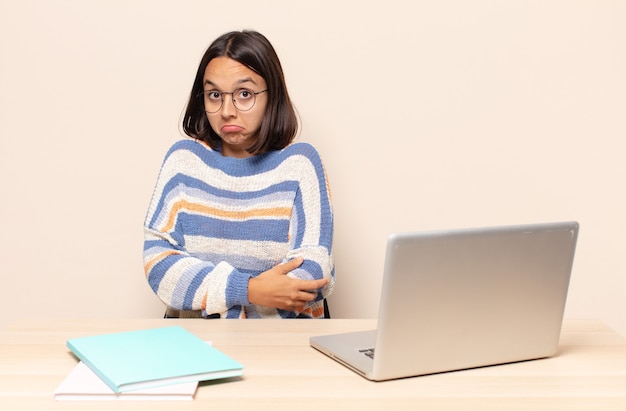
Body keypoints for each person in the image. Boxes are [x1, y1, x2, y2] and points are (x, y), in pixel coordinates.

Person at [143, 30, 334, 319]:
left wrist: (214, 293)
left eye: (244, 94)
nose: (227, 111)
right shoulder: (184, 161)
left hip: (282, 344)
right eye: (215, 95)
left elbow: (314, 267)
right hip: (198, 345)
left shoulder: (299, 163)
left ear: (273, 95)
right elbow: (159, 263)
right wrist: (248, 289)